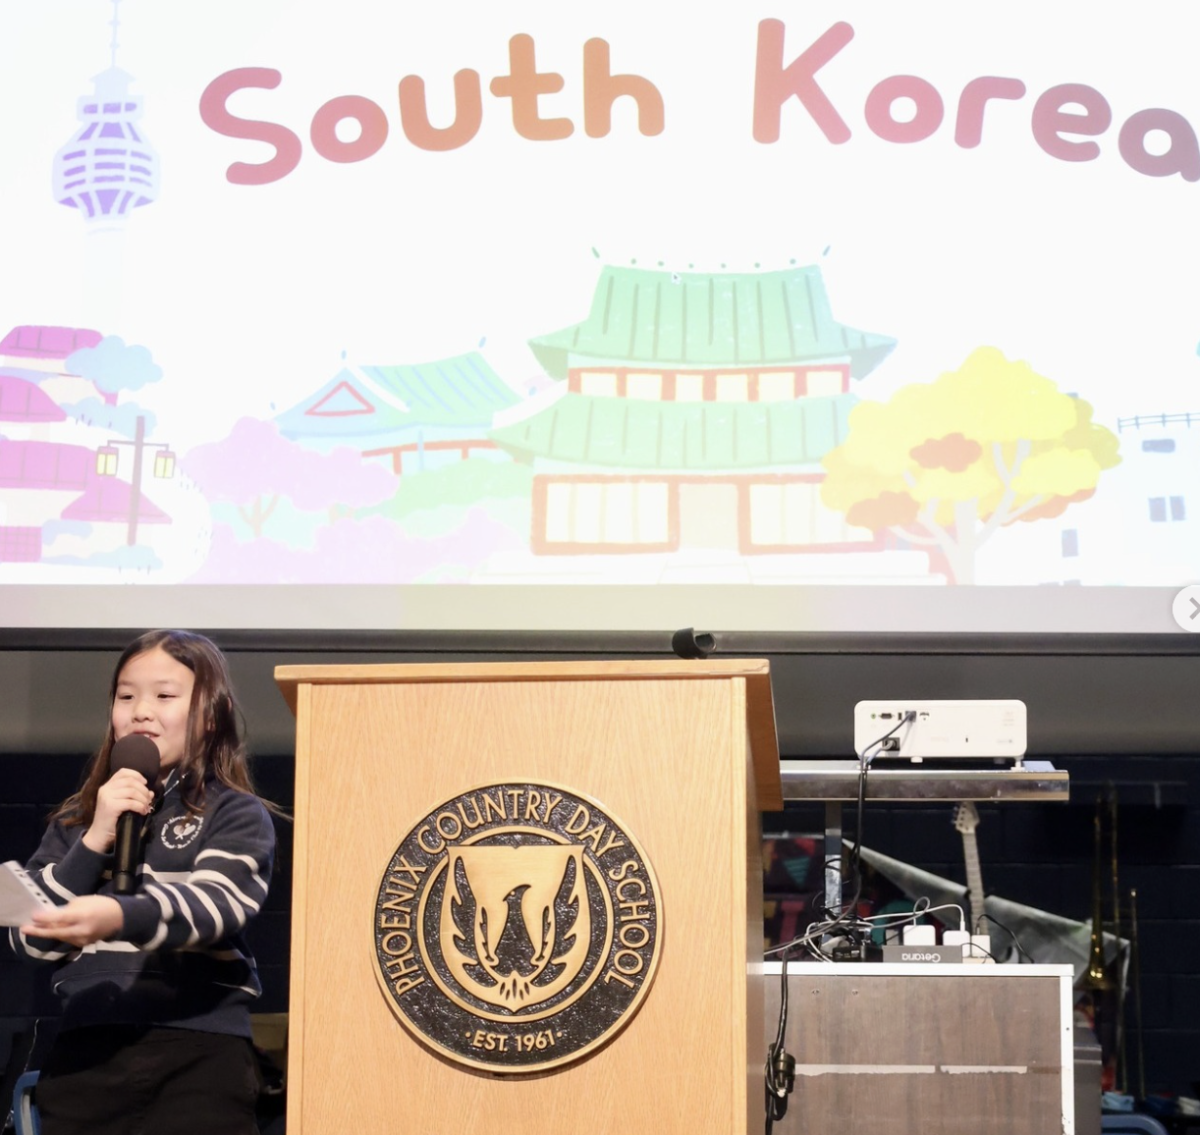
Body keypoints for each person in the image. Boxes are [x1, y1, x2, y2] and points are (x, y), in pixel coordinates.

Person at [9, 630, 279, 1135]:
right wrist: (95, 839)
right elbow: (30, 940)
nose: (141, 711)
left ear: (210, 714)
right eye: (126, 696)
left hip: (197, 1053)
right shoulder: (76, 824)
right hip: (87, 1055)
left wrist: (117, 914)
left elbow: (216, 906)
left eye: (165, 695)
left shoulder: (233, 812)